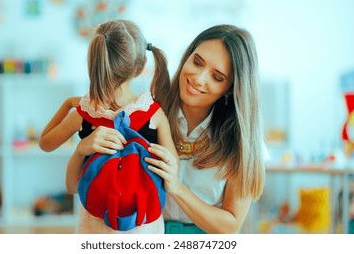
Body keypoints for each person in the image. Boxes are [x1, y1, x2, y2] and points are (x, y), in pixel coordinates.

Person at [66, 24, 266, 234]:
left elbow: (230, 226)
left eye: (217, 77)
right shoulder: (147, 112)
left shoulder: (243, 140)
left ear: (231, 88)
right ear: (187, 56)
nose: (198, 79)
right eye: (197, 62)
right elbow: (83, 180)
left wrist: (176, 188)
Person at [38, 19, 177, 234]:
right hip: (144, 226)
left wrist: (68, 107)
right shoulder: (154, 115)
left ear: (96, 60)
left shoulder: (83, 115)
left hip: (95, 228)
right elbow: (172, 171)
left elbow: (47, 147)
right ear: (140, 67)